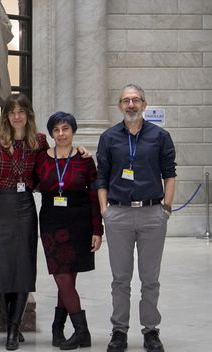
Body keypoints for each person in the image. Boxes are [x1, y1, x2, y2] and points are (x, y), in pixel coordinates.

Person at [96, 84, 176, 352]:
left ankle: (150, 331)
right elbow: (101, 177)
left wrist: (166, 208)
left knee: (150, 278)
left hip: (153, 214)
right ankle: (119, 331)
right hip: (118, 214)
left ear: (144, 104)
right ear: (119, 106)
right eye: (125, 100)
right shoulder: (109, 138)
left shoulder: (160, 136)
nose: (131, 104)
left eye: (136, 100)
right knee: (120, 278)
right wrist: (105, 210)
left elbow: (170, 173)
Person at [0, 93, 46, 351]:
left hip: (25, 206)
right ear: (5, 115)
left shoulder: (38, 141)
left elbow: (45, 173)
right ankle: (9, 320)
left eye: (21, 111)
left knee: (24, 265)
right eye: (12, 111)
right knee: (0, 266)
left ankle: (14, 328)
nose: (17, 116)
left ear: (28, 114)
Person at [34, 112, 103, 350]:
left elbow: (94, 196)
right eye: (56, 130)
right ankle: (82, 331)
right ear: (51, 133)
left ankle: (58, 328)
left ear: (73, 131)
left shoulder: (85, 159)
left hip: (79, 222)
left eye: (65, 129)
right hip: (52, 223)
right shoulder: (41, 159)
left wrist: (97, 229)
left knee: (68, 279)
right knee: (62, 278)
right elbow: (32, 182)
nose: (61, 134)